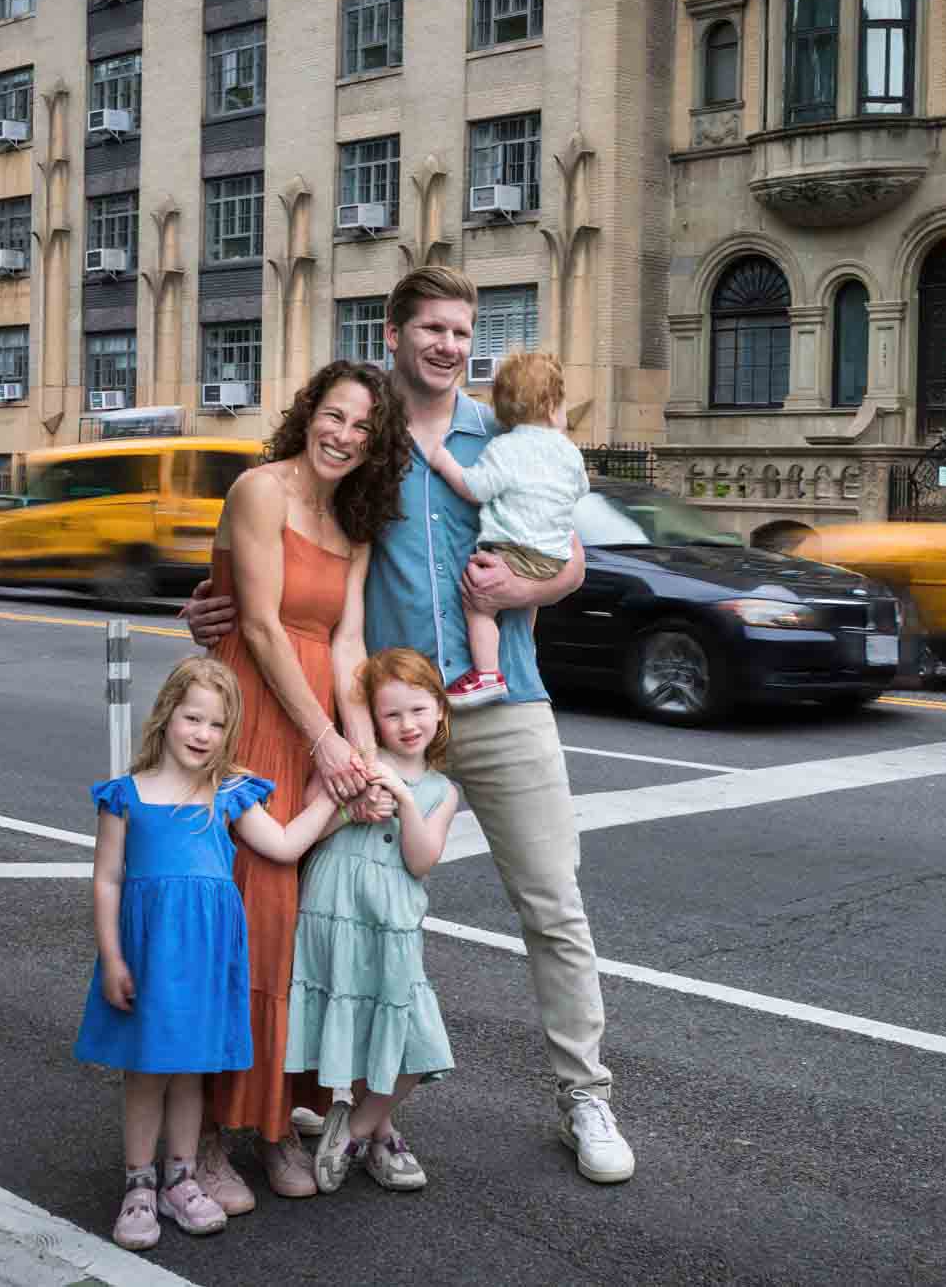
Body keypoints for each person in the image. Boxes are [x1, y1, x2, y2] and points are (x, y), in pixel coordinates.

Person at [184, 266, 635, 1185]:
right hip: (387, 725)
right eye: (431, 328)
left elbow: (573, 555)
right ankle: (360, 1107)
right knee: (359, 918)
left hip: (506, 700)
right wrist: (214, 606)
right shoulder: (367, 443)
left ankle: (585, 1094)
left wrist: (533, 583)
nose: (449, 346)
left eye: (463, 332)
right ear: (392, 333)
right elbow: (290, 560)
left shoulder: (505, 433)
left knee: (554, 903)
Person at [194, 358, 413, 1209]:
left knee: (306, 934)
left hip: (320, 721)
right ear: (308, 412)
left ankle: (279, 1122)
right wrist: (326, 742)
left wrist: (365, 763)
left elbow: (350, 643)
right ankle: (209, 1133)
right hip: (255, 711)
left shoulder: (353, 520)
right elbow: (254, 621)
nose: (345, 436)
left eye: (364, 428)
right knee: (247, 920)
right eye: (335, 416)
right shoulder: (260, 489)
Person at [73, 656, 339, 1252]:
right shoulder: (126, 795)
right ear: (167, 715)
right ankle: (138, 1186)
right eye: (193, 718)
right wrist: (112, 958)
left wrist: (329, 798)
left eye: (217, 726)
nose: (202, 735)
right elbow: (107, 880)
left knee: (191, 1070)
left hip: (206, 957)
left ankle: (182, 1178)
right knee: (145, 1071)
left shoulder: (229, 794)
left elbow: (286, 843)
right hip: (148, 954)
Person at [287, 647, 458, 1194]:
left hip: (390, 922)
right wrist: (354, 805)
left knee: (415, 1036)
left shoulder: (441, 791)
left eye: (418, 710)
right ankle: (378, 1134)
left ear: (439, 711)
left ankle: (355, 1129)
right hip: (334, 911)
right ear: (374, 720)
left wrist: (404, 799)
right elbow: (310, 827)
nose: (407, 725)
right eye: (392, 715)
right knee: (358, 1019)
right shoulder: (355, 764)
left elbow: (422, 859)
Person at [424, 351, 588, 710]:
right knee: (524, 605)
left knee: (477, 603)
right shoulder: (569, 452)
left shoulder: (504, 447)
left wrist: (443, 462)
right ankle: (522, 646)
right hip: (554, 554)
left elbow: (475, 488)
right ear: (549, 407)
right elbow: (580, 490)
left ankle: (487, 673)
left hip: (514, 553)